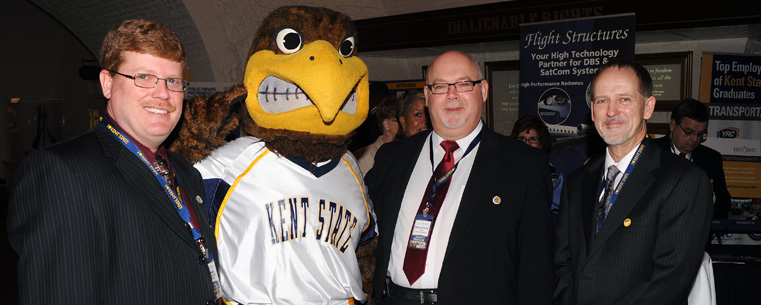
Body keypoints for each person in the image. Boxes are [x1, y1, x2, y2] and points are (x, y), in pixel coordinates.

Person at [6, 19, 221, 304]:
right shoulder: (63, 172)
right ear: (107, 84)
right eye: (144, 77)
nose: (163, 93)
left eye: (173, 81)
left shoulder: (185, 173)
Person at [366, 50, 553, 305]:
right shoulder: (392, 158)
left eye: (464, 84)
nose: (452, 94)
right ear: (428, 96)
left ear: (483, 90)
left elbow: (536, 270)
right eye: (441, 86)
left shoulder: (524, 166)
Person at [553, 59, 713, 305]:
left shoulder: (684, 180)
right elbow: (562, 263)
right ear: (592, 110)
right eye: (602, 100)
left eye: (624, 99)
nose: (611, 111)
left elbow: (669, 280)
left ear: (648, 107)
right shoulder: (577, 182)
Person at [655, 98, 731, 219]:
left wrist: (710, 196)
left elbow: (724, 208)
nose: (695, 139)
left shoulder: (711, 159)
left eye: (700, 134)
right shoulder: (650, 152)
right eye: (688, 132)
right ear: (673, 125)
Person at [510, 114, 563, 223]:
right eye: (522, 139)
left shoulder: (554, 177)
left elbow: (558, 215)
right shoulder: (505, 172)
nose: (527, 143)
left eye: (533, 139)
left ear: (541, 143)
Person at [354, 96, 401, 176]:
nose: (403, 124)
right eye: (398, 121)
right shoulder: (364, 156)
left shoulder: (408, 149)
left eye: (405, 119)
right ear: (386, 125)